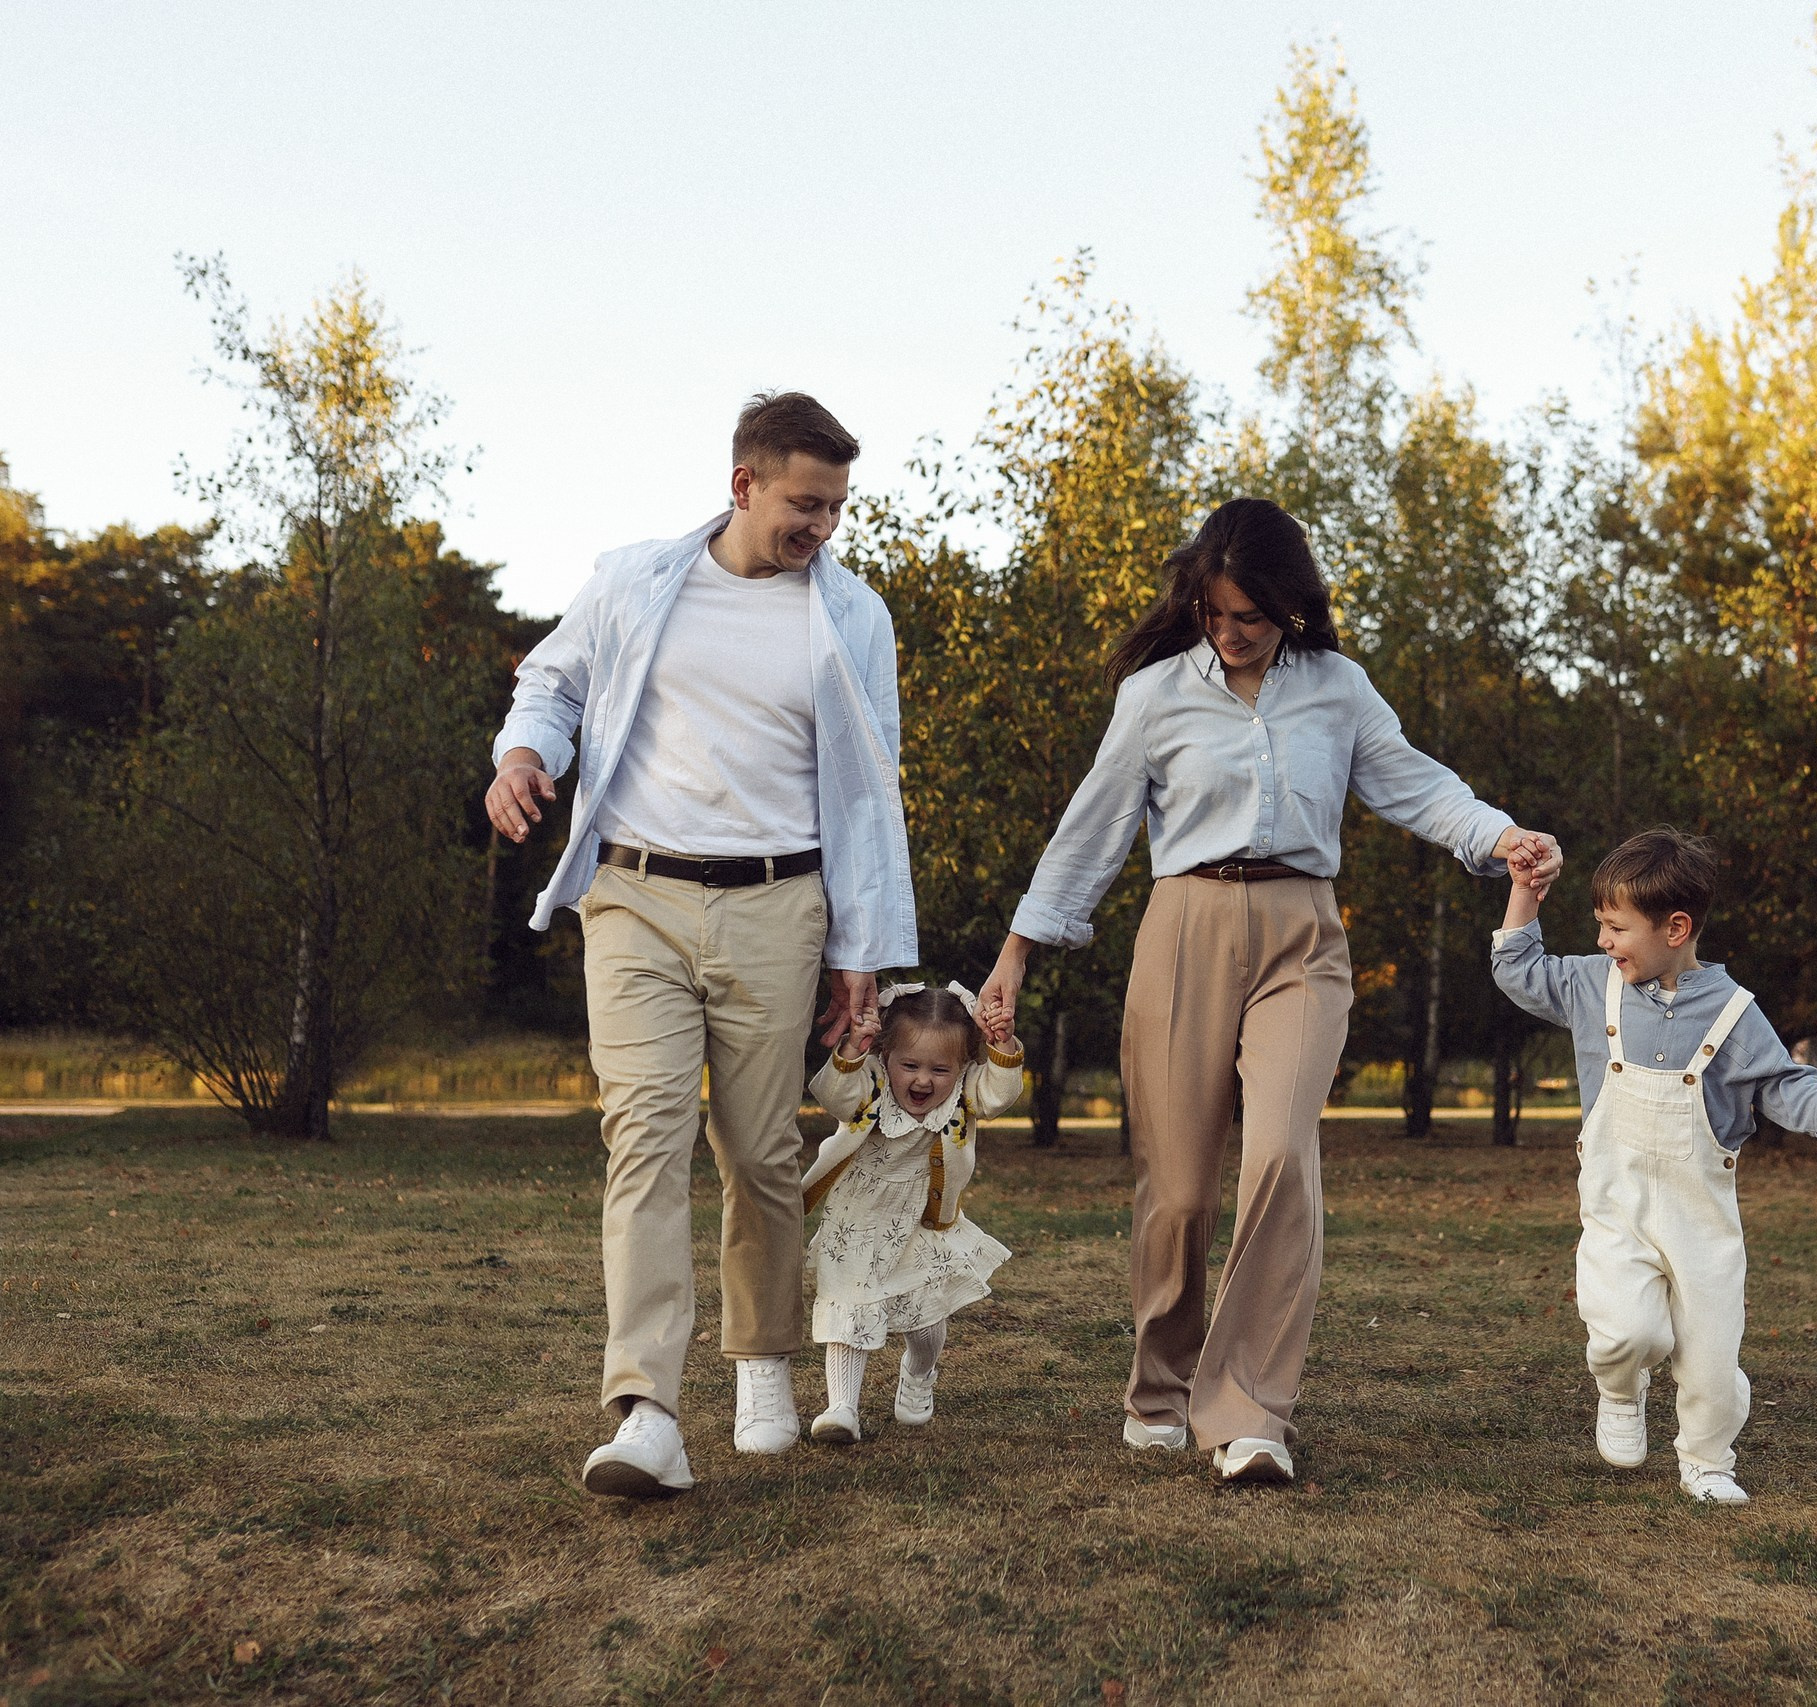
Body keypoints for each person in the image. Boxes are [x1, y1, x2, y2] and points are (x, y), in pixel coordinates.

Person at [976, 497, 1562, 1486]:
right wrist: (1017, 952)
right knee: (1179, 1192)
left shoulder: (1336, 688)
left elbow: (1413, 784)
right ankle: (1159, 1386)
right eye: (1213, 614)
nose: (1230, 633)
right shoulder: (1156, 696)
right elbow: (1093, 830)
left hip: (1301, 935)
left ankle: (1249, 1412)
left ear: (1288, 605)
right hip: (1183, 930)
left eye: (1249, 615)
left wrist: (1499, 835)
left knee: (1282, 1157)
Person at [483, 392, 916, 1499]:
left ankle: (762, 1359)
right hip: (634, 896)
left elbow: (872, 796)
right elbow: (552, 679)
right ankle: (647, 1412)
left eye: (834, 509)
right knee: (643, 1137)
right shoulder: (637, 579)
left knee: (762, 1151)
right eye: (804, 505)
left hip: (782, 903)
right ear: (744, 486)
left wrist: (861, 951)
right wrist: (525, 754)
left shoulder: (854, 618)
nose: (820, 526)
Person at [1491, 826, 1817, 1505]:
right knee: (1627, 1329)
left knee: (1712, 1359)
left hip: (1700, 1218)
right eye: (1601, 924)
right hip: (1617, 1203)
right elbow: (1516, 969)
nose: (1603, 940)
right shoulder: (1590, 986)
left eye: (1616, 927)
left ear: (1676, 927)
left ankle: (1708, 1458)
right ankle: (1621, 1389)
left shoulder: (1735, 1012)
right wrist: (1522, 892)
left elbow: (1782, 1084)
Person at [800, 983, 1023, 1443]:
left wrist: (1002, 1045)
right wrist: (851, 1049)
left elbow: (998, 1096)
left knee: (924, 1316)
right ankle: (841, 1407)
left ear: (962, 1067)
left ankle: (920, 1370)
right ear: (885, 1056)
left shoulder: (964, 1097)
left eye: (940, 1069)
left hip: (922, 1219)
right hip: (856, 1217)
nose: (923, 1081)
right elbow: (836, 1096)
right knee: (849, 1303)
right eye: (910, 1065)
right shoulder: (872, 1084)